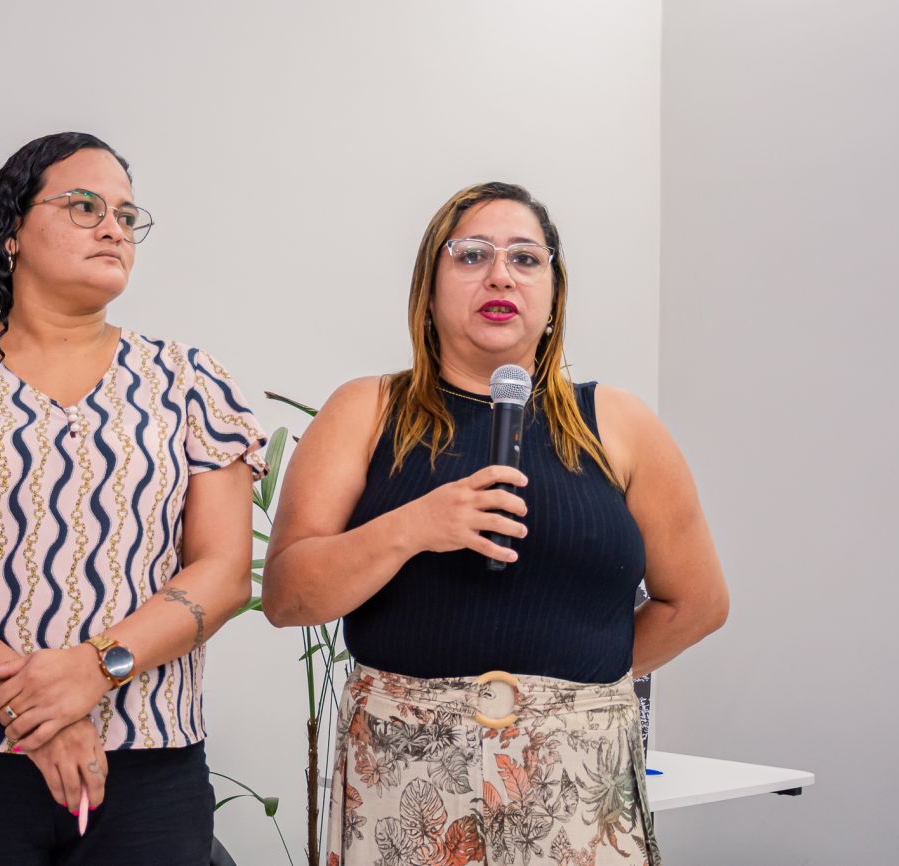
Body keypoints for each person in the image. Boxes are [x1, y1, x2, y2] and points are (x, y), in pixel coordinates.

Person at [0, 132, 266, 866]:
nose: (113, 228)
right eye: (84, 206)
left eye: (126, 216)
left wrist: (93, 669)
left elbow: (222, 574)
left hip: (148, 768)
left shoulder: (191, 380)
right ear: (11, 233)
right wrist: (39, 712)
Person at [262, 182, 728, 865]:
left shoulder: (621, 423)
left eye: (525, 258)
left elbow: (698, 602)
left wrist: (571, 689)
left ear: (553, 295)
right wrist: (416, 525)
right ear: (428, 290)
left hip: (577, 781)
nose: (501, 275)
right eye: (472, 255)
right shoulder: (366, 410)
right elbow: (288, 598)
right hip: (404, 777)